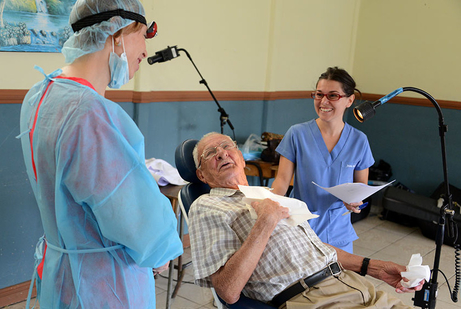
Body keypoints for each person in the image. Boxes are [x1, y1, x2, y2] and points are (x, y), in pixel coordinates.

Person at [17, 0, 183, 307]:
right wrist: (163, 248)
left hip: (61, 273)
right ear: (116, 33)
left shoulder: (40, 94)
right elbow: (137, 221)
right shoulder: (90, 113)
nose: (145, 52)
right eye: (142, 36)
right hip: (103, 286)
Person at [188, 132, 423, 308]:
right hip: (311, 298)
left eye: (226, 146)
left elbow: (315, 248)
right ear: (201, 174)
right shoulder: (207, 206)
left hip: (355, 284)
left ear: (240, 156)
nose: (221, 153)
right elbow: (227, 291)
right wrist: (266, 222)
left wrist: (375, 267)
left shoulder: (267, 195)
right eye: (210, 153)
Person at [271, 67, 374, 253]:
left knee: (338, 280)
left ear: (349, 100)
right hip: (300, 227)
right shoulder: (297, 134)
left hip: (338, 233)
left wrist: (355, 202)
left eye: (333, 95)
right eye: (319, 94)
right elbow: (282, 181)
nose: (323, 101)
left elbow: (361, 188)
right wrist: (269, 207)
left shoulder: (359, 141)